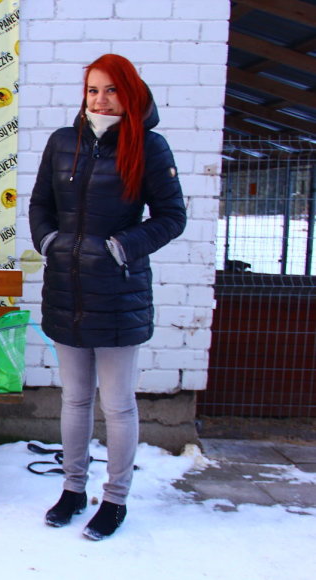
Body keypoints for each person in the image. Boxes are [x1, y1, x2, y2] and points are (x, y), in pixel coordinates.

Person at [28, 54, 186, 540]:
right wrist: (50, 242)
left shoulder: (150, 148)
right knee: (75, 398)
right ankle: (73, 490)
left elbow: (171, 216)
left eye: (112, 90)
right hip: (66, 289)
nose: (101, 99)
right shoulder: (62, 143)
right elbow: (39, 204)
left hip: (119, 293)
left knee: (116, 403)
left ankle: (115, 499)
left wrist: (121, 247)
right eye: (94, 89)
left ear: (131, 93)